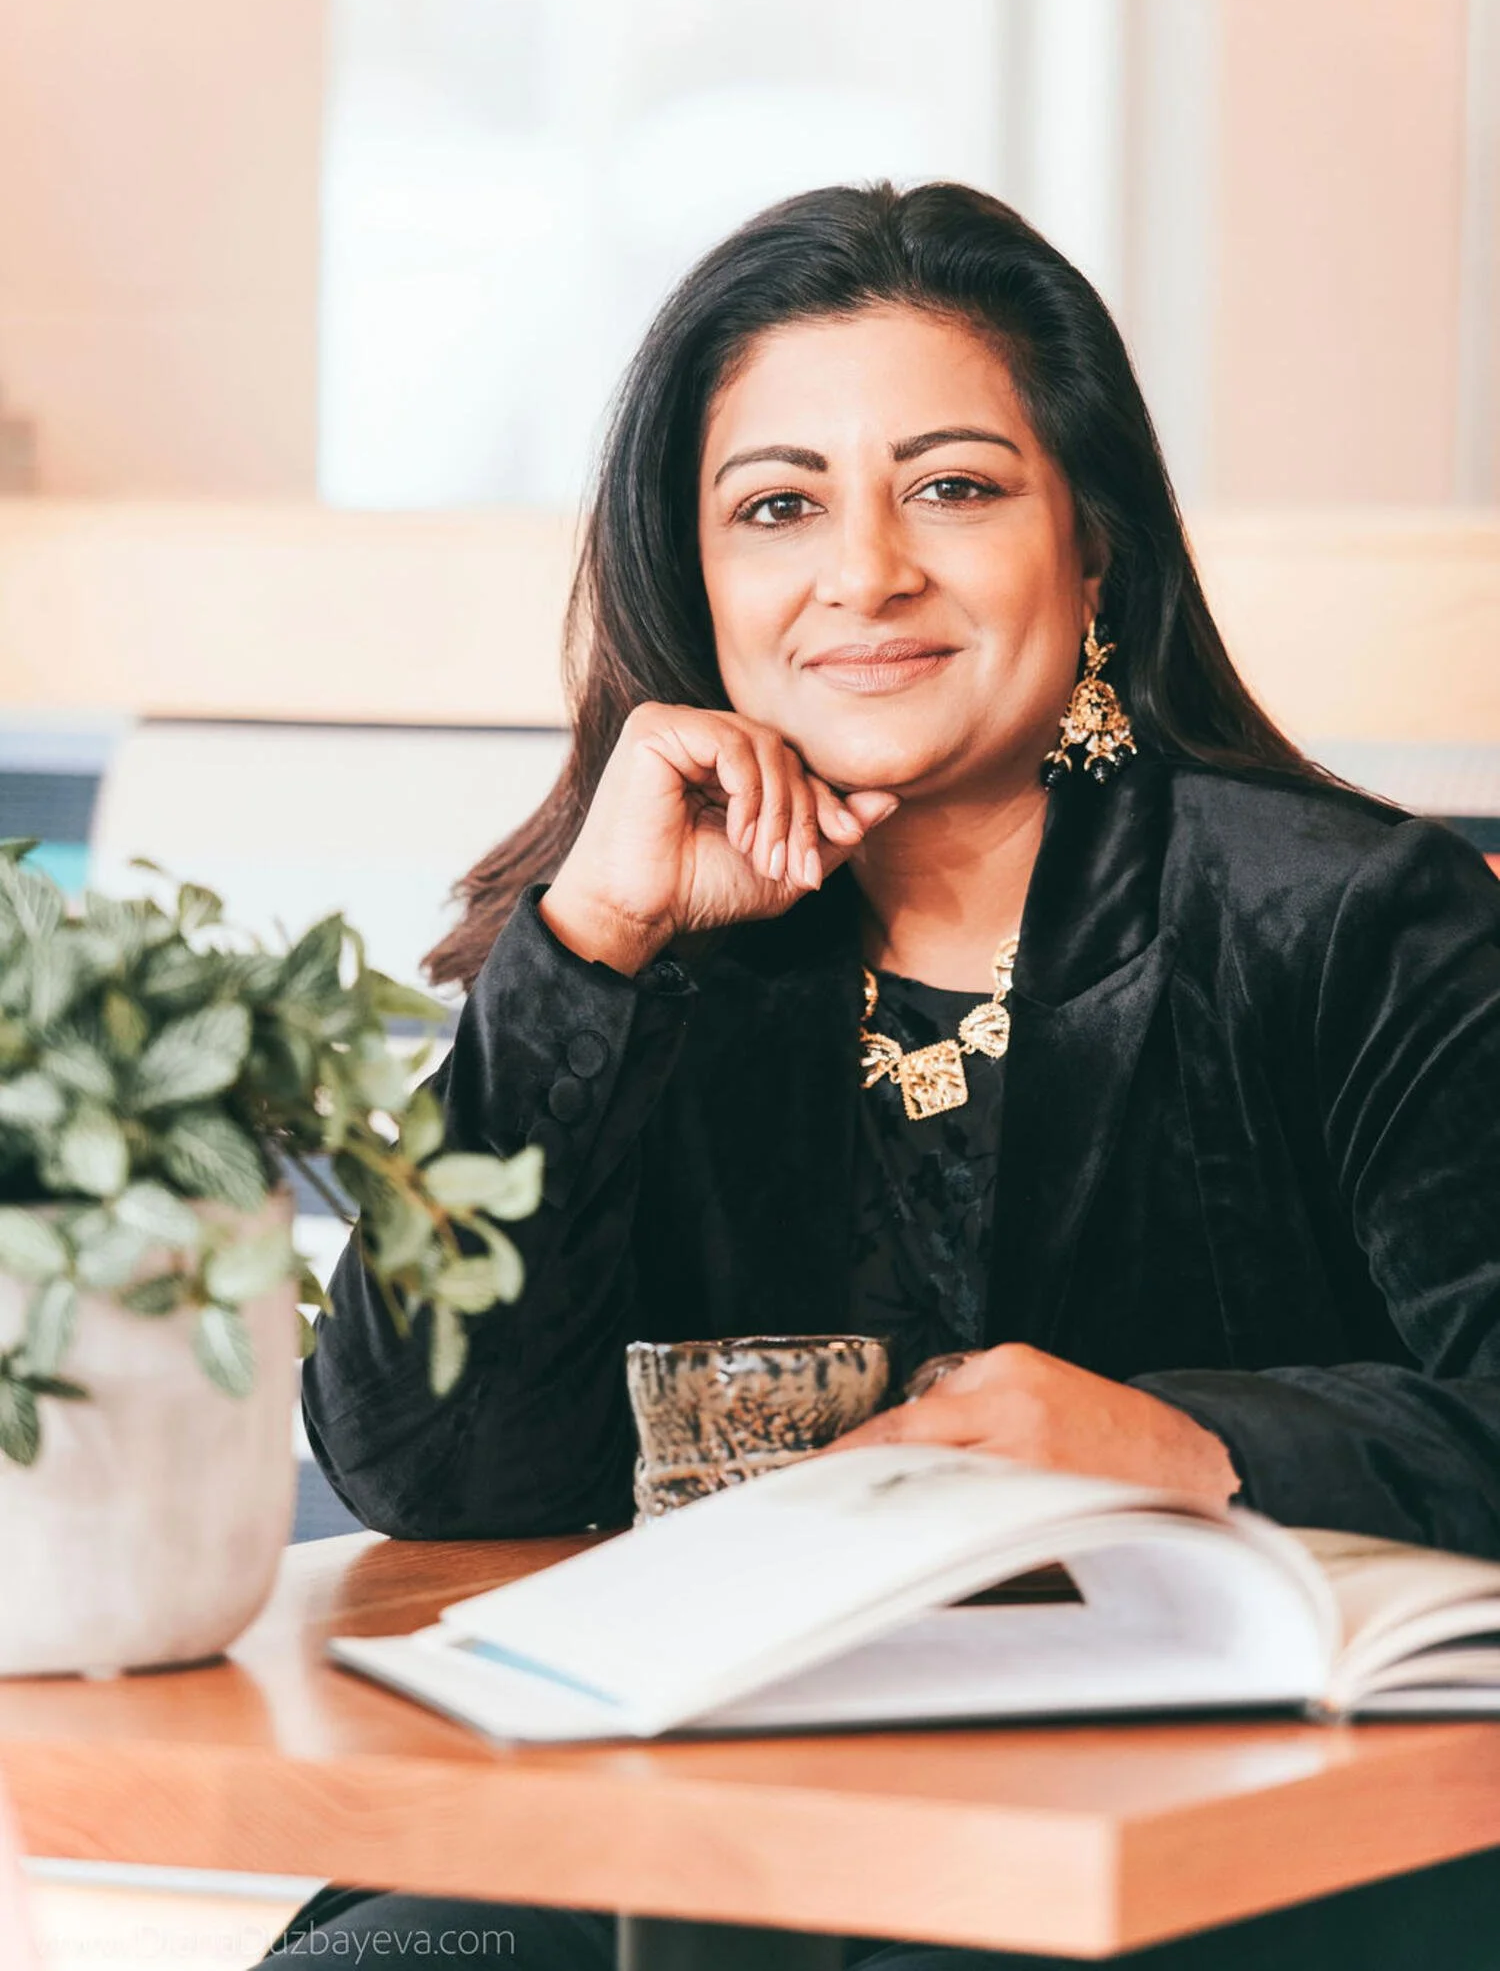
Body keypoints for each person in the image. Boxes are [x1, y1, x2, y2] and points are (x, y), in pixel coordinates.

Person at [278, 183, 1500, 1971]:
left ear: (1093, 551)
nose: (864, 572)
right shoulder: (645, 953)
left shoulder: (1349, 920)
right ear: (693, 580)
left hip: (1235, 1853)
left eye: (954, 485)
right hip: (705, 1823)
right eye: (778, 506)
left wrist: (1194, 1444)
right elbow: (429, 1467)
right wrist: (589, 950)